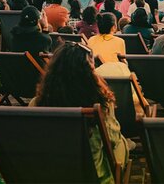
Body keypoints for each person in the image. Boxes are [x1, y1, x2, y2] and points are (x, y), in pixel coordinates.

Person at [31, 43, 129, 183]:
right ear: (90, 73)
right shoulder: (100, 106)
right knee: (121, 142)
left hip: (51, 173)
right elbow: (113, 138)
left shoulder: (36, 104)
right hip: (94, 177)